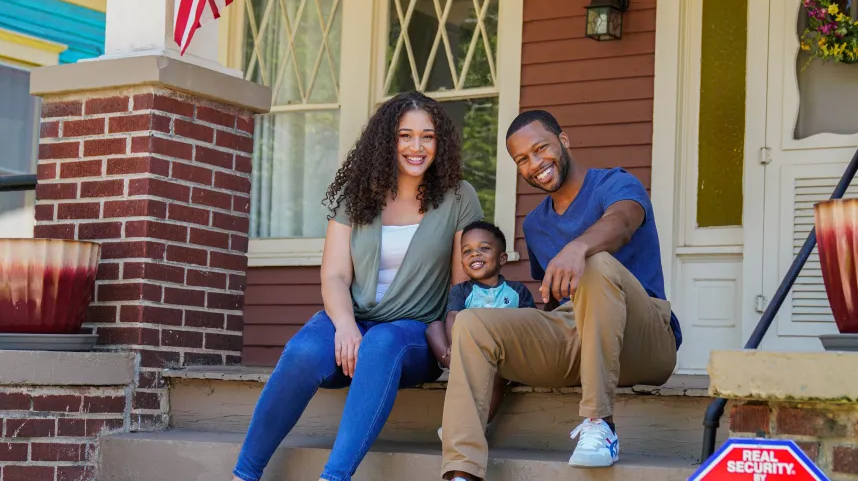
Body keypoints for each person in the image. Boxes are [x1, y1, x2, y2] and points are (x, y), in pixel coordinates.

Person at [231, 91, 483, 481]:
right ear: (387, 140)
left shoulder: (458, 197)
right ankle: (243, 475)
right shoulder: (357, 195)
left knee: (383, 342)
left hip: (414, 336)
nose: (417, 147)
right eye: (405, 136)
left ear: (440, 142)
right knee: (303, 350)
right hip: (355, 323)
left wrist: (458, 352)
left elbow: (459, 287)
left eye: (428, 136)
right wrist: (346, 326)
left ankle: (334, 477)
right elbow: (334, 275)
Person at [440, 110, 683, 481]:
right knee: (472, 323)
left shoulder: (615, 184)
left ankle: (600, 424)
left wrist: (578, 248)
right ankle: (461, 469)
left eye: (541, 149)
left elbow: (621, 223)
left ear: (564, 141)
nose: (535, 164)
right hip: (579, 341)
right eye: (522, 159)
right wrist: (518, 350)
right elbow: (554, 304)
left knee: (595, 263)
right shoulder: (535, 224)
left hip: (646, 340)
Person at [425, 220, 536, 436]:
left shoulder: (516, 291)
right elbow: (454, 317)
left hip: (503, 358)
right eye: (467, 251)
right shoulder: (462, 291)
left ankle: (477, 425)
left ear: (502, 258)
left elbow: (531, 324)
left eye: (484, 248)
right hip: (467, 352)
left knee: (495, 375)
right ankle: (456, 362)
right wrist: (456, 347)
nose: (475, 254)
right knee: (434, 328)